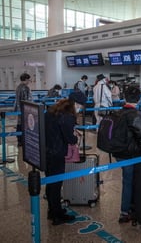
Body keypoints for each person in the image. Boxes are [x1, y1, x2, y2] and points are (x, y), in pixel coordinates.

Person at [45, 91, 87, 225]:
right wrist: (75, 136)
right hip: (56, 153)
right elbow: (70, 139)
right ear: (76, 104)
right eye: (81, 106)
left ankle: (52, 210)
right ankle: (57, 216)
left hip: (47, 151)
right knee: (56, 184)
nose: (81, 109)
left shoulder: (54, 110)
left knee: (50, 183)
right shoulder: (68, 116)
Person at [113, 85, 141, 223]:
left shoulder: (119, 111)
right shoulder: (135, 115)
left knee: (128, 179)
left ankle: (130, 207)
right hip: (130, 154)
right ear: (139, 98)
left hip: (119, 152)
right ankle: (126, 211)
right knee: (130, 181)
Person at [14, 73, 32, 146]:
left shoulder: (18, 87)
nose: (29, 81)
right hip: (24, 110)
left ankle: (20, 140)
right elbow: (26, 100)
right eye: (29, 80)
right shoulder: (25, 88)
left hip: (20, 109)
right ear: (26, 79)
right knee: (23, 125)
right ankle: (22, 140)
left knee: (19, 124)